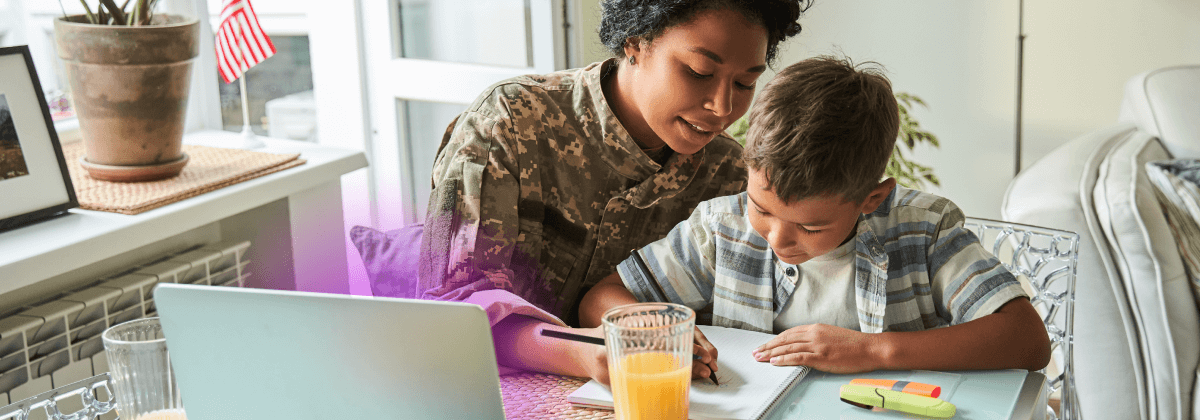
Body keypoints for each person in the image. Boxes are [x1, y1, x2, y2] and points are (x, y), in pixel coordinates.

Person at [400, 0, 811, 384]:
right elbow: (453, 318)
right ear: (635, 41)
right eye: (699, 72)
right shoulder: (507, 123)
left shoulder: (731, 174)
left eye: (744, 83)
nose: (722, 107)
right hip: (497, 390)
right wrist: (583, 354)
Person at [579, 56, 1052, 374]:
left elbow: (1028, 340)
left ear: (872, 198)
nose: (777, 239)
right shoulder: (721, 229)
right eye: (762, 208)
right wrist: (660, 332)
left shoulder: (924, 231)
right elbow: (601, 299)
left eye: (810, 226)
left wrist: (874, 350)